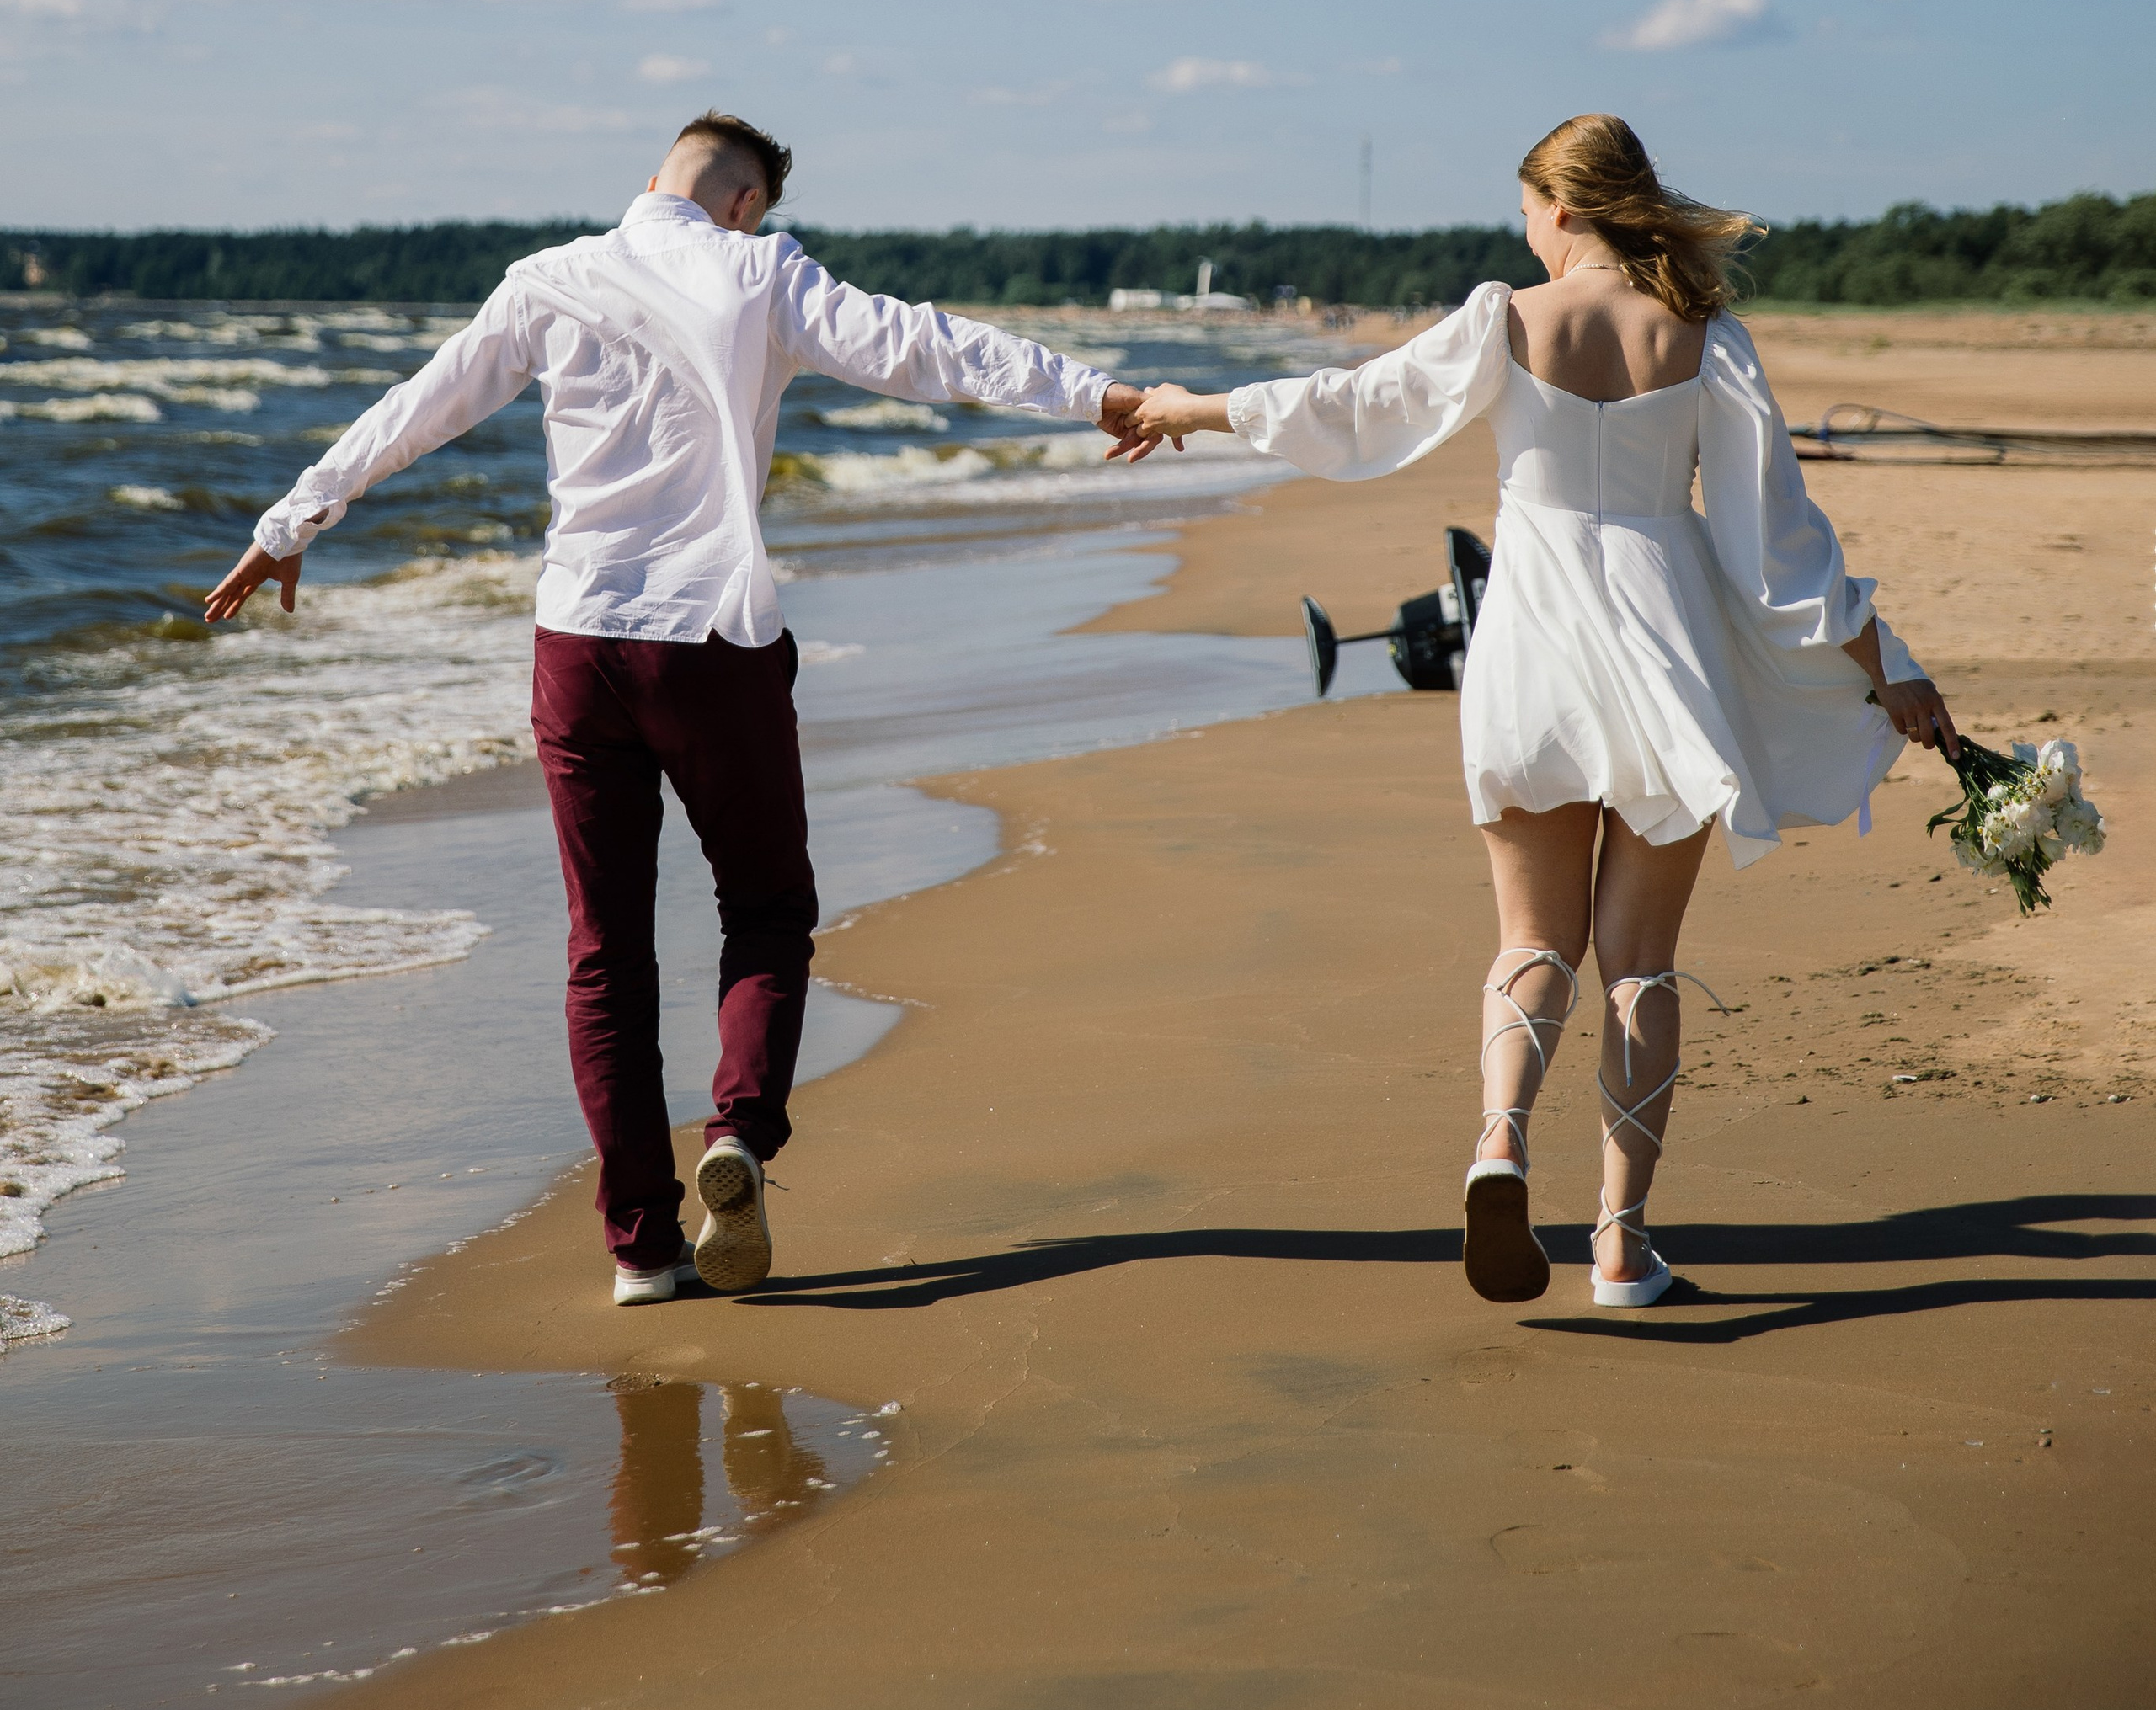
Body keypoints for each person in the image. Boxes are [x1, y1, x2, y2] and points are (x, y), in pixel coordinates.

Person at [206, 110, 1141, 1308]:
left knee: (605, 953)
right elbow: (929, 348)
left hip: (577, 645)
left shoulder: (549, 279)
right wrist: (1103, 397)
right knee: (766, 907)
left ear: (654, 178)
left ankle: (643, 1249)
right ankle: (737, 1130)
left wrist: (292, 519)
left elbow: (419, 408)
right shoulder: (762, 273)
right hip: (710, 643)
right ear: (745, 203)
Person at [1113, 113, 1956, 1313]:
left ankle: (1500, 1144)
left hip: (1532, 642)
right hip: (1668, 650)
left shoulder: (1505, 319)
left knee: (1533, 940)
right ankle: (1620, 1245)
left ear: (1560, 207)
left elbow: (1354, 406)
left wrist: (1188, 408)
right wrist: (1891, 666)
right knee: (1641, 965)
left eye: (1525, 213)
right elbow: (1780, 548)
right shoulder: (1705, 333)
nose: (1525, 234)